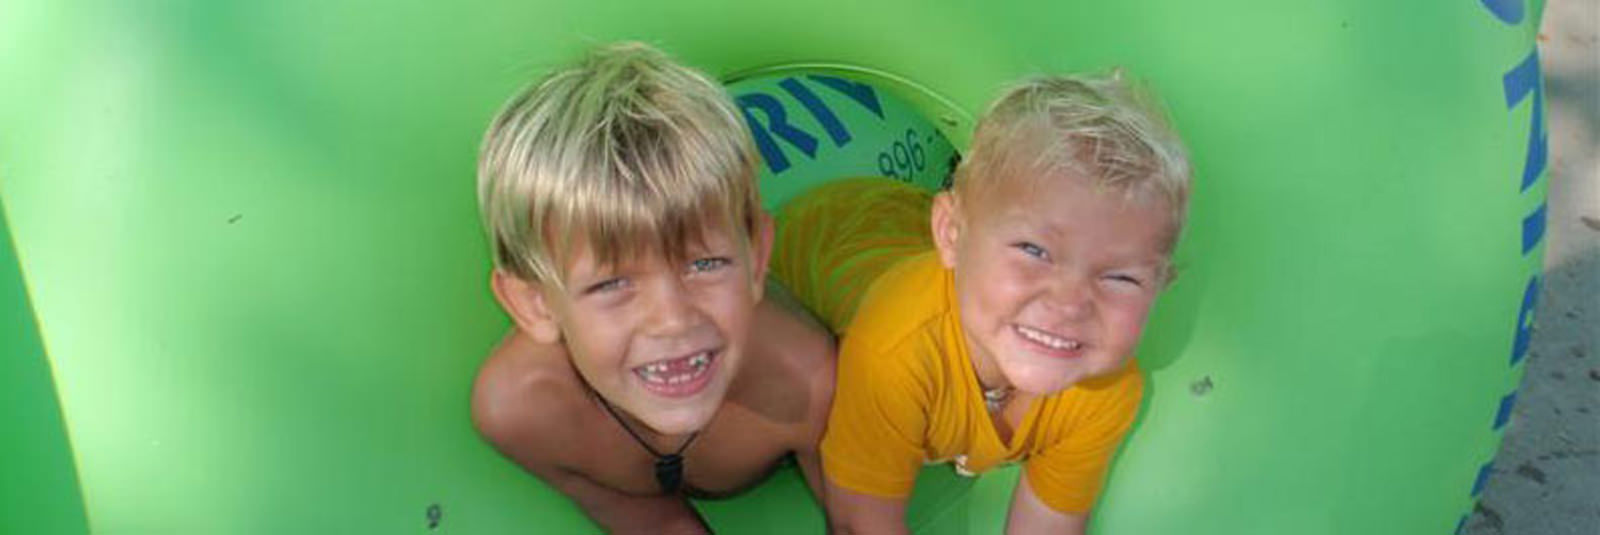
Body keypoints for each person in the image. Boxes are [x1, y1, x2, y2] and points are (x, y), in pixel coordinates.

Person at [772, 72, 1191, 534]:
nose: (1070, 302)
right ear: (951, 235)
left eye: (1119, 276)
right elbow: (859, 525)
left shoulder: (1104, 392)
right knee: (816, 376)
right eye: (1034, 251)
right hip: (821, 235)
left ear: (1159, 285)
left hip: (911, 229)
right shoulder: (894, 353)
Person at [470, 42, 835, 535]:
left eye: (705, 263)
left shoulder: (808, 379)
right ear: (534, 304)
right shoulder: (520, 410)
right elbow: (638, 514)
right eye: (611, 283)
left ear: (756, 260)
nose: (673, 319)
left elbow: (863, 522)